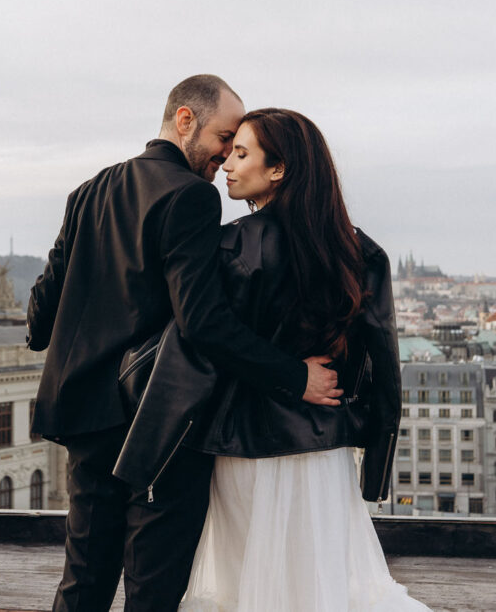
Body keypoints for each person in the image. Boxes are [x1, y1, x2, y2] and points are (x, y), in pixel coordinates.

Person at [26, 77, 342, 611]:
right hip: (154, 421)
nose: (224, 155)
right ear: (185, 121)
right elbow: (203, 323)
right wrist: (296, 377)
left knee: (84, 578)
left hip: (81, 414)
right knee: (153, 586)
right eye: (224, 137)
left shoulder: (89, 191)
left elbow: (39, 321)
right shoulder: (191, 196)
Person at [154, 108, 428, 611]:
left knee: (247, 586)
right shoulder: (359, 250)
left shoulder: (229, 245)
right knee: (318, 585)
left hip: (241, 443)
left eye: (241, 153)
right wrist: (376, 469)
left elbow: (207, 343)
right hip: (323, 441)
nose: (227, 165)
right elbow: (385, 367)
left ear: (278, 168)